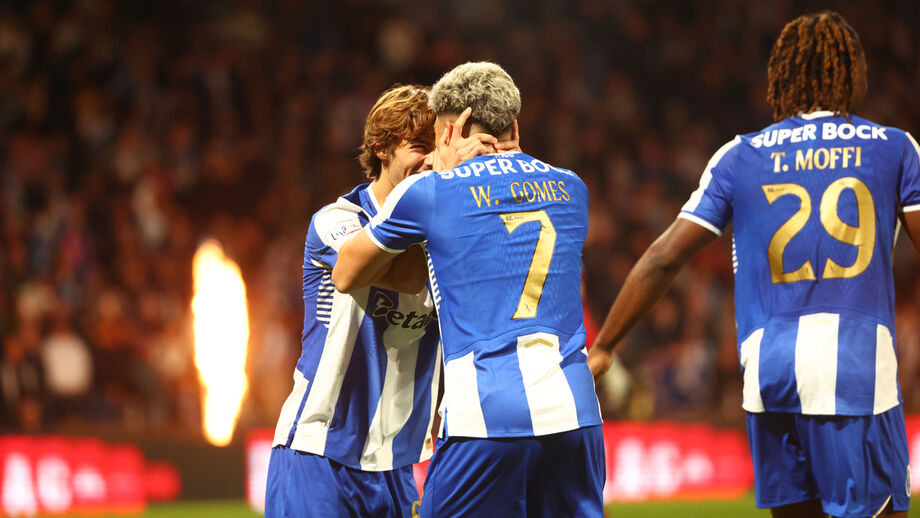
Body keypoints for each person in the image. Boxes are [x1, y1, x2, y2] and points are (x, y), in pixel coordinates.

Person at [587, 11, 917, 518]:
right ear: (851, 73)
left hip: (770, 372)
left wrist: (605, 346)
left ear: (781, 75)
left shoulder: (739, 156)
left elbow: (662, 259)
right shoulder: (893, 148)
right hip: (855, 372)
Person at [333, 62, 605, 517]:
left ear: (446, 132)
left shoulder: (431, 192)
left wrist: (437, 173)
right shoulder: (573, 188)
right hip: (576, 413)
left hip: (487, 417)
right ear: (514, 124)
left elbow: (345, 272)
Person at [264, 85, 443, 518]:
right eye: (420, 147)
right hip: (319, 451)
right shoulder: (337, 221)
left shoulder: (447, 236)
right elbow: (406, 273)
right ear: (381, 148)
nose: (432, 160)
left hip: (396, 466)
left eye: (438, 148)